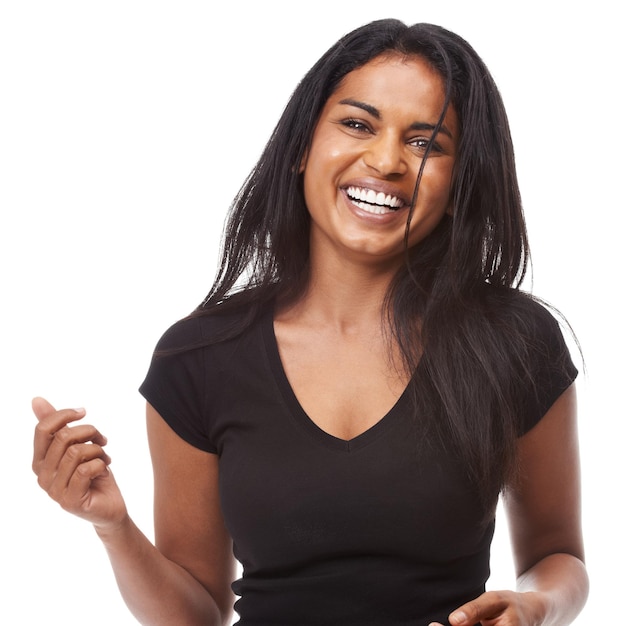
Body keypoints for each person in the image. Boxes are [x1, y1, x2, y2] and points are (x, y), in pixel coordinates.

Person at [32, 18, 588, 626]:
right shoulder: (197, 357)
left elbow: (557, 556)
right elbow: (197, 613)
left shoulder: (515, 343)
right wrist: (112, 526)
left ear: (459, 184)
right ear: (302, 147)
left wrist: (537, 605)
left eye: (425, 142)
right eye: (357, 124)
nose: (385, 160)